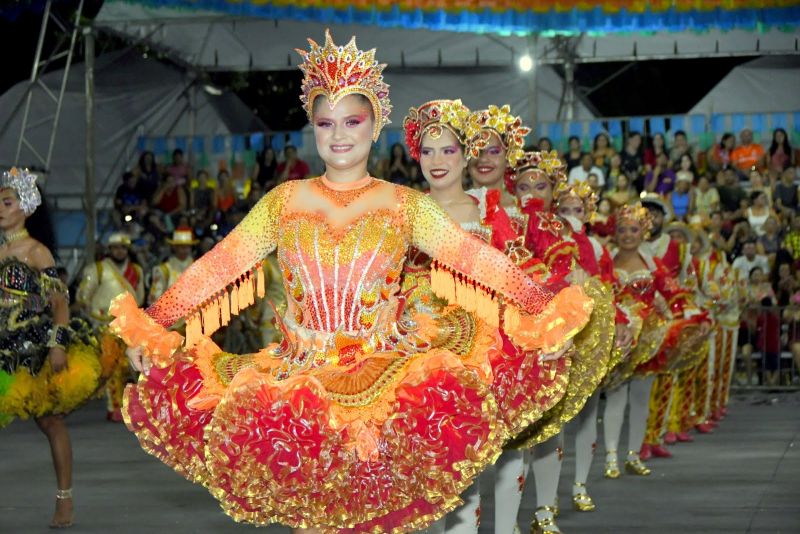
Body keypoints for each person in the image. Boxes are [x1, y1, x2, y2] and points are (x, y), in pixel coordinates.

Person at [111, 32, 592, 533]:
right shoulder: (284, 201)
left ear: (375, 124)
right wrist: (152, 324)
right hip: (299, 385)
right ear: (313, 128)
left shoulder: (406, 205)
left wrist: (546, 313)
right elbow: (218, 266)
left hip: (386, 382)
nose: (338, 134)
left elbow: (478, 262)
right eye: (325, 122)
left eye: (352, 121)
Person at [402, 99, 580, 534]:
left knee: (465, 471)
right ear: (415, 156)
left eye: (448, 150)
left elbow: (515, 278)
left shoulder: (491, 214)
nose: (438, 161)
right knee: (420, 475)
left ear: (465, 154)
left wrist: (549, 324)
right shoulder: (402, 212)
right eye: (428, 151)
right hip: (411, 355)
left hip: (474, 354)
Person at [0, 168, 104, 528]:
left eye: (7, 202)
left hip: (32, 347)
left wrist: (57, 345)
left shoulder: (36, 251)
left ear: (25, 208)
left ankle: (65, 500)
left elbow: (59, 303)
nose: (0, 208)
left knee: (50, 421)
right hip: (2, 349)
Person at [555, 182, 634, 516]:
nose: (571, 217)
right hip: (557, 334)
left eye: (577, 210)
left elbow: (609, 291)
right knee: (552, 421)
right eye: (564, 210)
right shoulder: (547, 242)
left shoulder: (599, 250)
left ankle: (580, 484)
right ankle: (547, 498)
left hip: (589, 336)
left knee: (587, 414)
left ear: (588, 214)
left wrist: (619, 322)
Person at [76, 232, 144, 422]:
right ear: (109, 249)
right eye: (115, 248)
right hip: (104, 325)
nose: (119, 251)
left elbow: (140, 297)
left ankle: (130, 406)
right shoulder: (97, 269)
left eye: (123, 248)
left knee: (131, 368)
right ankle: (114, 406)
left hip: (129, 326)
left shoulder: (136, 270)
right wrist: (95, 317)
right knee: (112, 368)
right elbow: (83, 297)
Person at [147, 227, 197, 305]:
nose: (185, 250)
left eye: (187, 247)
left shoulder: (198, 268)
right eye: (181, 247)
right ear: (174, 247)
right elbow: (155, 299)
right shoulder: (163, 269)